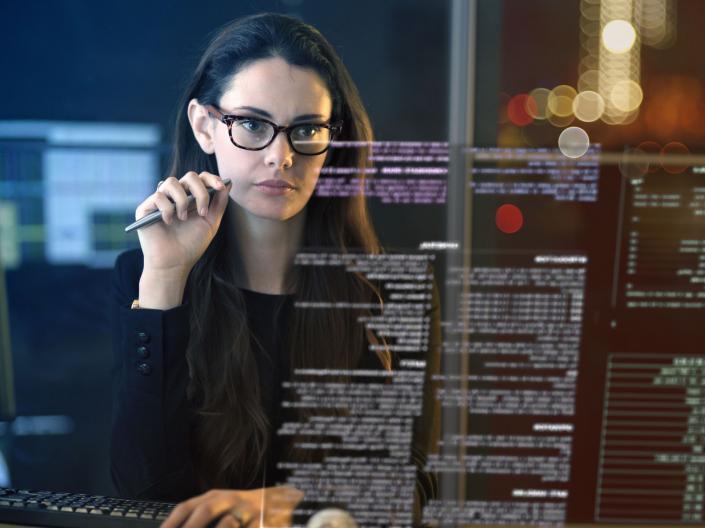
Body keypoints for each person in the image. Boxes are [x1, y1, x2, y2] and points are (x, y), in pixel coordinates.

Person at [110, 12, 440, 527]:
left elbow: (412, 487)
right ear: (205, 126)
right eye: (252, 125)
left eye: (306, 129)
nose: (281, 157)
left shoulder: (393, 292)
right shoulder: (145, 276)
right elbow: (140, 488)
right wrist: (165, 280)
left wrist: (284, 505)